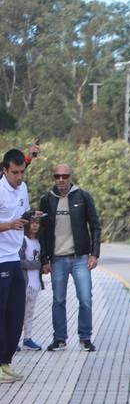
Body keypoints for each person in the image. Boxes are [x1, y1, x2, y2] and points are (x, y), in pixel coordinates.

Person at [37, 163, 101, 352]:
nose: (61, 179)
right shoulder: (47, 199)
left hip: (80, 258)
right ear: (54, 178)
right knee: (58, 300)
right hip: (57, 259)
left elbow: (95, 225)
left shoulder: (83, 196)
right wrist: (44, 260)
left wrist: (94, 253)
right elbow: (42, 231)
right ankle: (59, 339)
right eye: (57, 176)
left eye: (65, 176)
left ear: (71, 176)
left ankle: (85, 338)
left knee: (85, 298)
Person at [0, 149, 35, 383]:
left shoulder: (23, 188)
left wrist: (31, 221)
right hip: (0, 258)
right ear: (4, 170)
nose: (19, 176)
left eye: (22, 172)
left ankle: (6, 362)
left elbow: (23, 214)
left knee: (15, 313)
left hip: (15, 257)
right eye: (15, 172)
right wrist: (8, 225)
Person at [20, 218, 43, 350]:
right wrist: (36, 265)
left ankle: (27, 338)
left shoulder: (39, 242)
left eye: (37, 223)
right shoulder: (23, 240)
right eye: (32, 222)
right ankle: (14, 341)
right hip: (24, 284)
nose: (35, 225)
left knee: (29, 313)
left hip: (35, 285)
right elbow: (20, 261)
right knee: (18, 314)